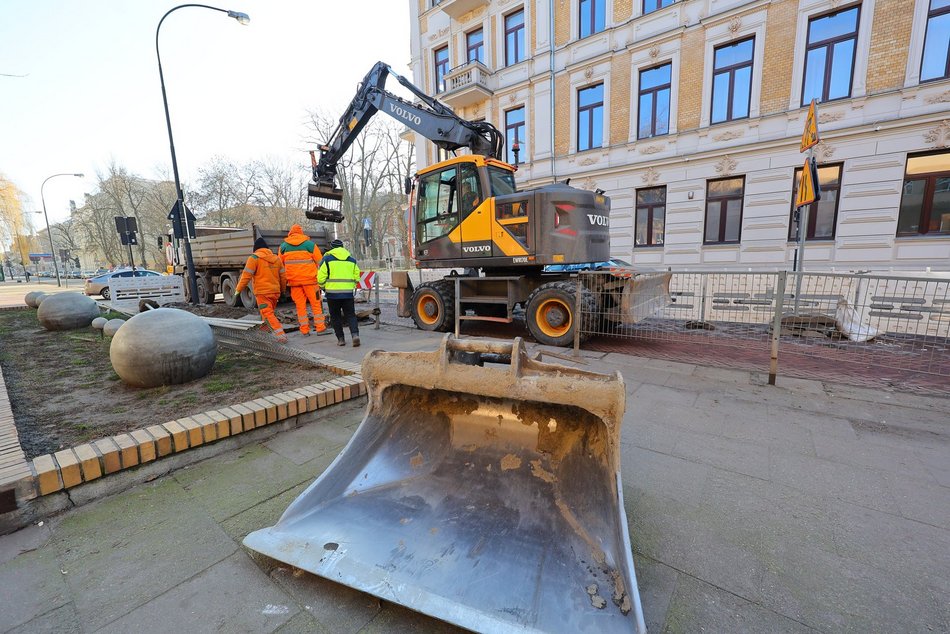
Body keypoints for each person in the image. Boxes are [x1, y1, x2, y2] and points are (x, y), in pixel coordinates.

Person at [234, 237, 288, 343]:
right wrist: (283, 291)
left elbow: (246, 276)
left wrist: (238, 290)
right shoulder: (276, 259)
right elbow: (283, 277)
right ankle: (264, 332)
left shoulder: (254, 258)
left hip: (263, 293)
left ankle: (281, 335)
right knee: (267, 313)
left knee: (267, 313)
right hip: (275, 292)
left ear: (256, 249)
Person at [278, 224, 327, 336]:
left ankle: (304, 330)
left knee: (300, 306)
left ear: (290, 233)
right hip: (311, 281)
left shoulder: (283, 247)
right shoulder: (310, 245)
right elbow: (321, 263)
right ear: (301, 233)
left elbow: (280, 265)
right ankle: (320, 328)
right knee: (316, 304)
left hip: (294, 282)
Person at [317, 238, 361, 347]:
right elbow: (357, 277)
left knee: (335, 316)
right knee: (351, 315)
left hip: (332, 294)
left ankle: (341, 339)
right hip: (348, 293)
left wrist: (324, 287)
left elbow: (320, 278)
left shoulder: (326, 259)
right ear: (342, 248)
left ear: (332, 248)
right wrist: (351, 285)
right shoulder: (351, 260)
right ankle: (355, 335)